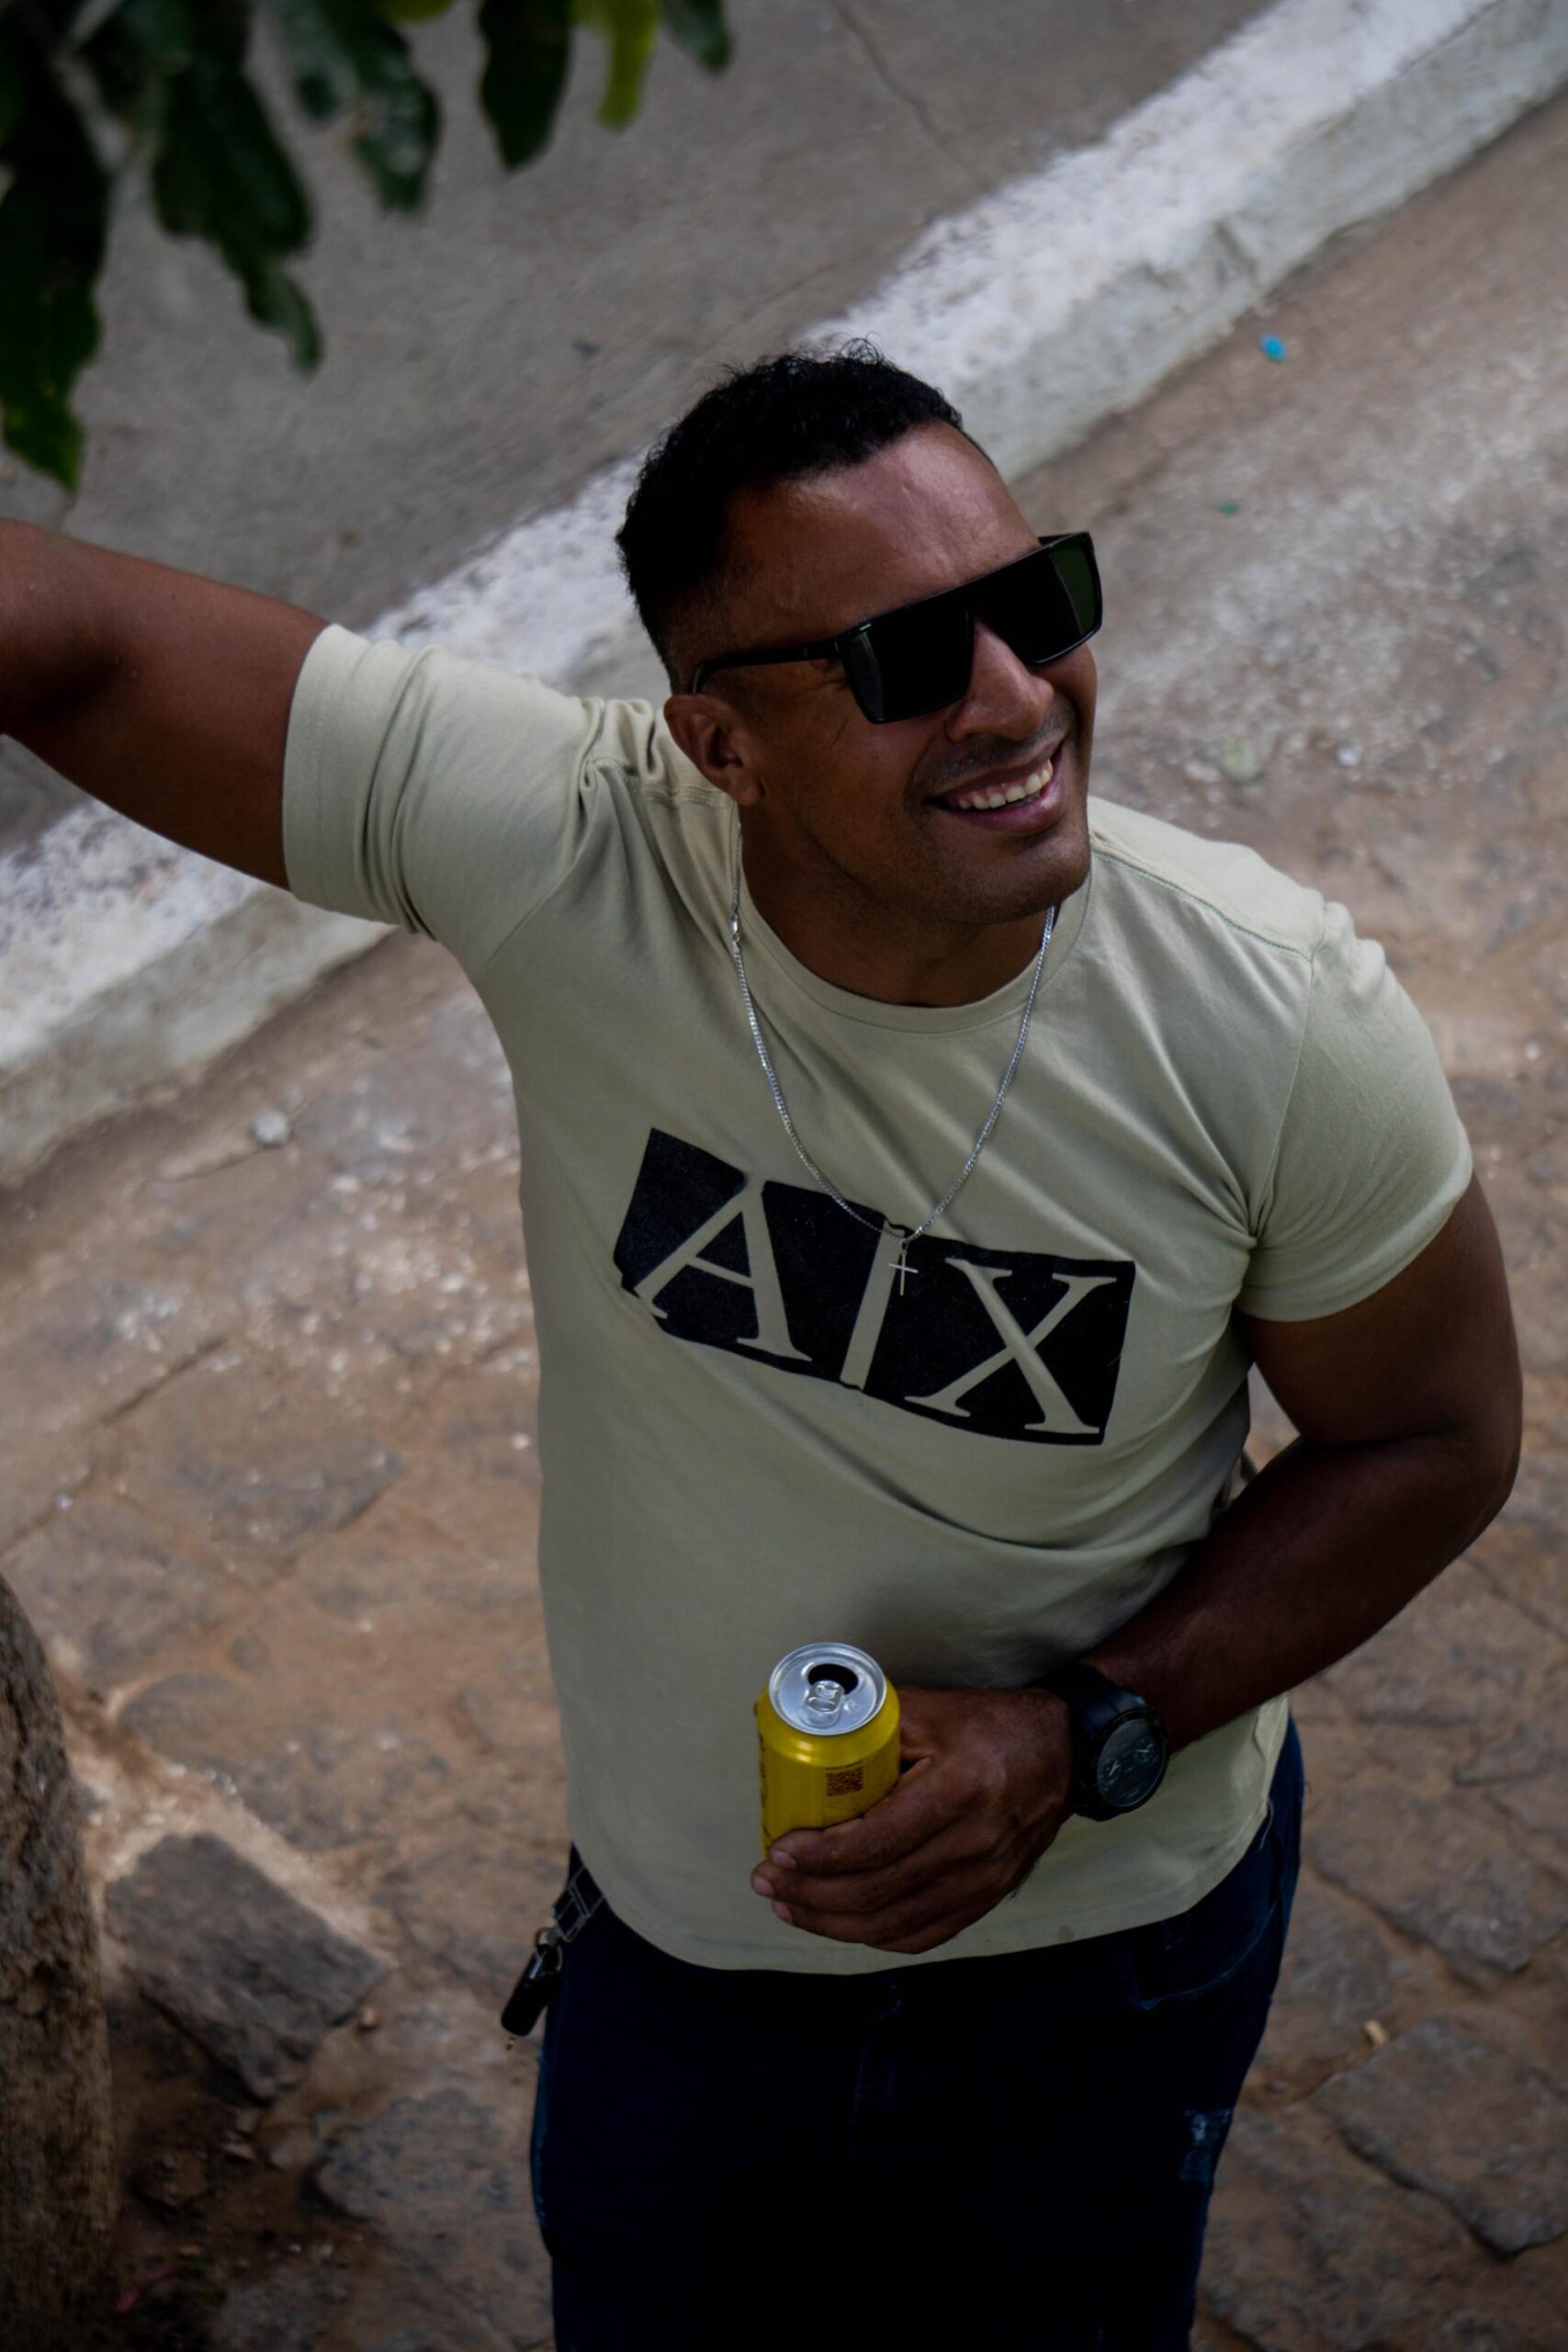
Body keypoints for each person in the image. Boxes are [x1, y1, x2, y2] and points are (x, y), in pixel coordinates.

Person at [1, 345, 1519, 2348]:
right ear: (718, 745)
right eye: (905, 658)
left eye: (1036, 600)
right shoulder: (575, 848)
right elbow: (82, 647)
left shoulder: (1270, 1014)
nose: (1015, 696)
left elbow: (1429, 1437)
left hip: (1104, 1959)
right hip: (685, 1963)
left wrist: (1080, 1732)